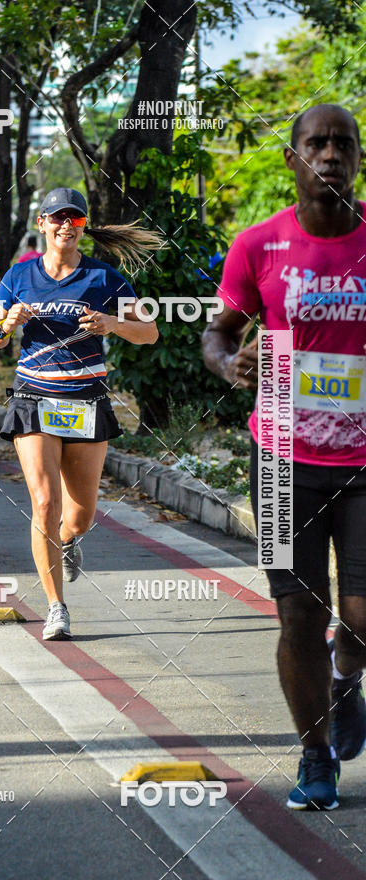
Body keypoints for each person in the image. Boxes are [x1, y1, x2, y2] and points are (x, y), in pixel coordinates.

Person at [202, 104, 366, 811]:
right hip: (279, 460)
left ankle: (347, 679)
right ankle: (315, 755)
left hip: (364, 462)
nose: (330, 153)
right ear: (293, 159)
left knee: (362, 614)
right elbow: (218, 333)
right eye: (316, 143)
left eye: (343, 143)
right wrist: (226, 364)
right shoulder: (259, 245)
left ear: (358, 158)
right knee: (299, 613)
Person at [0, 187, 159, 640]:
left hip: (86, 402)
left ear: (83, 227)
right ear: (41, 224)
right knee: (44, 502)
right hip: (34, 397)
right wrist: (7, 324)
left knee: (78, 517)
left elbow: (150, 332)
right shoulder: (18, 277)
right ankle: (56, 606)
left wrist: (112, 324)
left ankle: (68, 541)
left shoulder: (104, 278)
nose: (66, 226)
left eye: (75, 220)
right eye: (57, 218)